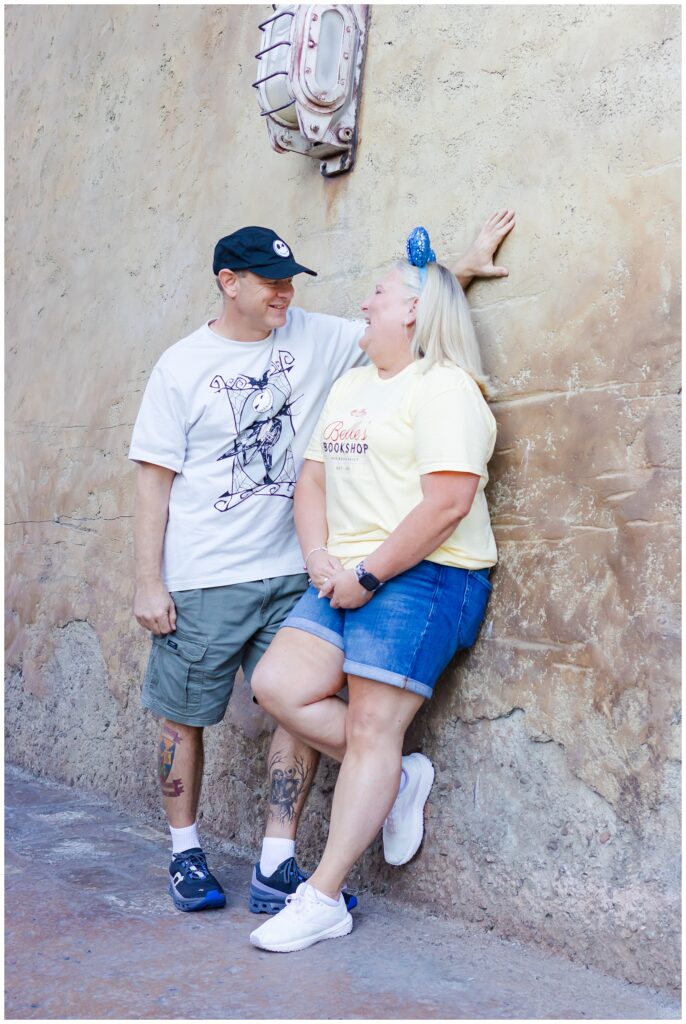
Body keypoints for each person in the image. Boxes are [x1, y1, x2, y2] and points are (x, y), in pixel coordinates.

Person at [129, 214, 514, 915]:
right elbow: (153, 477)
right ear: (229, 283)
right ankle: (184, 850)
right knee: (182, 714)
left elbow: (408, 317)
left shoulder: (317, 335)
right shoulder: (181, 365)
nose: (285, 295)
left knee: (292, 706)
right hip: (206, 571)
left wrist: (459, 267)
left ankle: (278, 859)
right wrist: (148, 579)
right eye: (271, 284)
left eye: (289, 282)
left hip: (299, 569)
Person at [249, 227, 498, 952]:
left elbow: (447, 503)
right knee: (278, 686)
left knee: (368, 730)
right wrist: (324, 559)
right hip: (347, 571)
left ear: (414, 312)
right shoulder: (354, 385)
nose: (364, 302)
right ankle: (397, 773)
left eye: (379, 294)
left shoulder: (446, 388)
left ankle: (322, 897)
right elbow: (313, 482)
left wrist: (368, 573)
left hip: (427, 573)